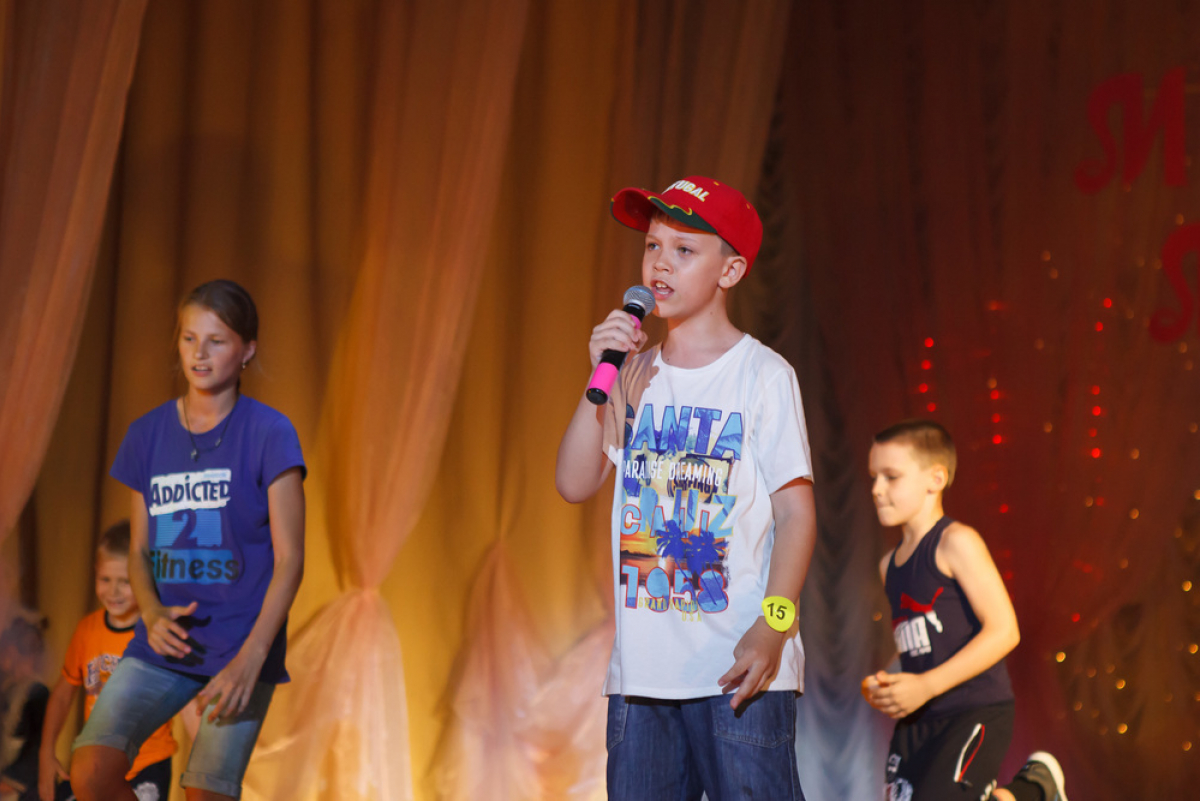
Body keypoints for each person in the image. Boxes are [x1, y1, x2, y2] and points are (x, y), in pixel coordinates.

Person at [556, 176, 817, 799]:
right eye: (652, 246)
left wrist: (774, 626)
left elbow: (796, 516)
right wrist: (600, 376)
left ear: (730, 271)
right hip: (642, 680)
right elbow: (573, 482)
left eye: (683, 250)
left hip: (738, 670)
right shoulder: (633, 375)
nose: (660, 264)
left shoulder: (763, 375)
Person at [69, 279, 306, 801]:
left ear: (247, 350)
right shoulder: (146, 434)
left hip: (242, 644)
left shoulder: (270, 432)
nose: (199, 354)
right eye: (188, 338)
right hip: (166, 641)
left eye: (216, 341)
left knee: (205, 794)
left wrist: (253, 656)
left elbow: (290, 558)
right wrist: (151, 611)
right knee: (89, 773)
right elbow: (139, 551)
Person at [862, 420, 1067, 801]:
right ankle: (1035, 788)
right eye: (874, 477)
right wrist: (889, 680)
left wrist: (926, 686)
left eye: (891, 476)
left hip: (973, 710)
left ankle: (1034, 788)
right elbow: (919, 643)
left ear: (936, 478)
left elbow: (1005, 631)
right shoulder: (888, 565)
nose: (876, 489)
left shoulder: (956, 542)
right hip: (918, 722)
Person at [38, 521, 178, 801]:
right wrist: (46, 753)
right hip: (96, 765)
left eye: (125, 582)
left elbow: (186, 705)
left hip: (147, 767)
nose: (113, 592)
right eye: (105, 579)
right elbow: (63, 694)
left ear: (146, 579)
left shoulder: (158, 634)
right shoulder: (87, 630)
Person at [1, 612, 48, 801]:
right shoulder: (9, 688)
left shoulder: (37, 691)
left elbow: (38, 746)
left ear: (12, 651)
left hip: (23, 787)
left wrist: (11, 781)